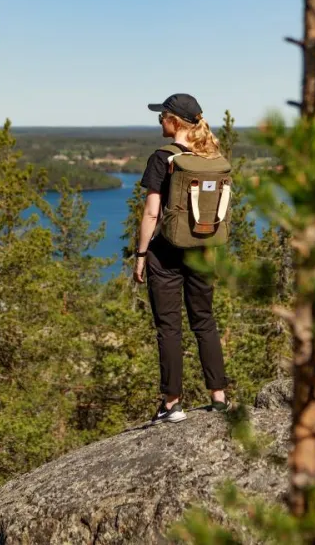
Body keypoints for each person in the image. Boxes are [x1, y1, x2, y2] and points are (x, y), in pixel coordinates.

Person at [134, 93, 229, 424]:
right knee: (204, 320)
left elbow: (151, 212)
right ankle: (219, 397)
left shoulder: (163, 158)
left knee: (170, 326)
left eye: (162, 116)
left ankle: (172, 404)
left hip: (167, 252)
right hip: (204, 250)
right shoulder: (212, 157)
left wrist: (141, 254)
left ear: (174, 121)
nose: (159, 121)